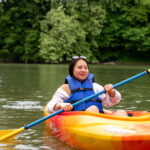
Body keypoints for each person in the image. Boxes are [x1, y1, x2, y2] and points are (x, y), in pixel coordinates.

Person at [47, 56, 128, 117]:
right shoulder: (65, 88)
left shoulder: (95, 87)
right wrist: (61, 105)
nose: (83, 70)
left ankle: (125, 134)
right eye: (79, 67)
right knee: (93, 108)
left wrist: (111, 92)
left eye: (86, 68)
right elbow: (50, 106)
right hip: (78, 121)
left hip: (101, 121)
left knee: (121, 112)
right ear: (72, 70)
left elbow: (110, 102)